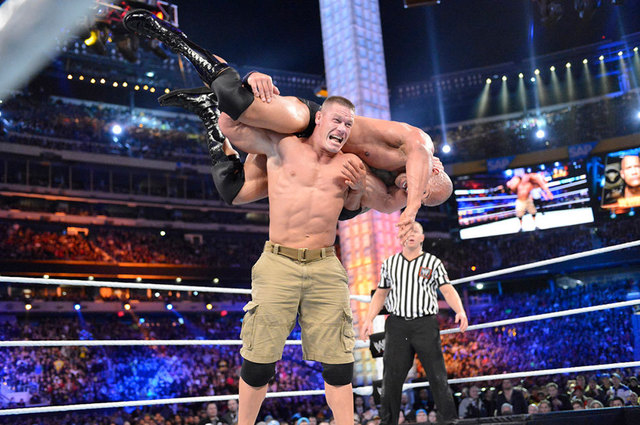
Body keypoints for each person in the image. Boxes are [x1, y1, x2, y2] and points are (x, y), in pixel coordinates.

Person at [122, 10, 449, 240]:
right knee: (237, 103)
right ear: (433, 169)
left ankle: (207, 110)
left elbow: (356, 205)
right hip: (313, 127)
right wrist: (412, 209)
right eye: (417, 188)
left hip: (303, 162)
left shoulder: (396, 197)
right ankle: (172, 37)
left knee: (234, 191)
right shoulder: (415, 142)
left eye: (415, 196)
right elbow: (418, 156)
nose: (409, 191)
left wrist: (374, 194)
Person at [193, 94, 360, 425]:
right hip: (279, 261)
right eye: (337, 120)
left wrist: (358, 188)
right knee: (259, 360)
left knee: (340, 363)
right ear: (318, 118)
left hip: (325, 264)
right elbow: (230, 124)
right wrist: (253, 82)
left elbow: (353, 206)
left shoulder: (351, 162)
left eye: (348, 124)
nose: (342, 128)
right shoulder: (283, 144)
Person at [360, 222, 468, 425]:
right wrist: (368, 319)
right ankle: (388, 422)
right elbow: (381, 294)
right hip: (397, 325)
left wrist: (460, 311)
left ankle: (449, 420)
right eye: (407, 231)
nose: (411, 234)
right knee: (391, 378)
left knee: (437, 374)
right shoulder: (390, 263)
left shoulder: (432, 262)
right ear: (401, 237)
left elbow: (447, 289)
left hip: (425, 324)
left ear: (422, 237)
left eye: (415, 231)